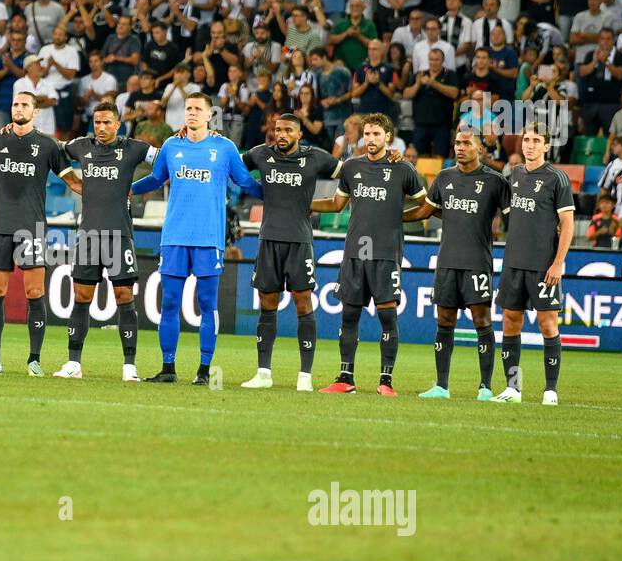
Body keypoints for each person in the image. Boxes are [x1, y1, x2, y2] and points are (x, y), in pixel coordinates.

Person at [130, 92, 262, 384]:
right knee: (170, 303)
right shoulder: (171, 145)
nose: (190, 113)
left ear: (209, 115)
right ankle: (168, 368)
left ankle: (203, 370)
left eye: (196, 109)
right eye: (187, 108)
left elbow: (246, 182)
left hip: (208, 238)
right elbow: (155, 178)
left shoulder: (225, 148)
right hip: (175, 236)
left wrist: (277, 196)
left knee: (207, 304)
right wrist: (126, 189)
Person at [0, 90, 82, 376]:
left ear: (35, 111)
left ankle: (34, 361)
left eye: (25, 104)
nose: (19, 108)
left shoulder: (48, 145)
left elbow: (75, 184)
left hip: (32, 229)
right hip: (0, 227)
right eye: (15, 103)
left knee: (34, 292)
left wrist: (111, 189)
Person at [313, 113, 426, 395]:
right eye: (367, 134)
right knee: (349, 316)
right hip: (355, 252)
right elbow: (338, 204)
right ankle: (345, 378)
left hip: (386, 254)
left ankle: (385, 382)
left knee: (388, 317)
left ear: (388, 136)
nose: (371, 139)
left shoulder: (403, 169)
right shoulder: (352, 167)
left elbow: (427, 207)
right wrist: (306, 203)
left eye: (377, 134)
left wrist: (398, 218)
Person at [403, 130, 510, 400]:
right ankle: (441, 386)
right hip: (447, 261)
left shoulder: (496, 181)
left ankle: (485, 387)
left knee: (481, 321)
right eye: (457, 143)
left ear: (480, 149)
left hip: (477, 263)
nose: (460, 148)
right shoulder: (444, 177)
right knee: (444, 320)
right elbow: (424, 211)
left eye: (466, 143)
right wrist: (390, 215)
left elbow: (515, 221)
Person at [55, 102, 158, 381]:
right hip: (88, 235)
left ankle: (129, 367)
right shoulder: (81, 146)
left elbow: (165, 159)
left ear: (118, 124)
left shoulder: (134, 148)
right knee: (81, 297)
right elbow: (52, 149)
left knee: (124, 297)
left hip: (119, 235)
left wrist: (139, 187)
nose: (101, 128)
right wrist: (71, 179)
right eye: (97, 122)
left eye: (106, 123)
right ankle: (73, 363)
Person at [239, 114, 342, 392]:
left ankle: (305, 375)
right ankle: (263, 372)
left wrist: (325, 204)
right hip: (269, 239)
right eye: (277, 130)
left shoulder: (316, 158)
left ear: (299, 135)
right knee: (267, 303)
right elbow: (230, 163)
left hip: (299, 241)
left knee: (303, 302)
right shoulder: (260, 154)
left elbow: (351, 174)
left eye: (287, 130)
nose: (280, 134)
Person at [492, 126, 576, 406]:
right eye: (526, 140)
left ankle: (550, 390)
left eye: (535, 141)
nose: (529, 145)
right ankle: (513, 388)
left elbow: (567, 225)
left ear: (546, 147)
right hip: (514, 263)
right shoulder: (514, 174)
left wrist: (558, 263)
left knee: (547, 324)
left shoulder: (557, 178)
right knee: (510, 322)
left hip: (544, 266)